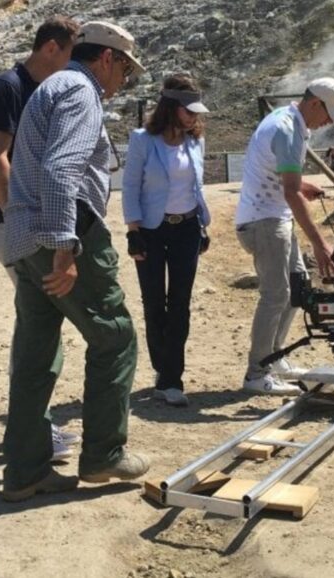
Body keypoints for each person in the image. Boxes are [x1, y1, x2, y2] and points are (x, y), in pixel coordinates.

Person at [0, 21, 149, 502]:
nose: (123, 79)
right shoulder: (80, 91)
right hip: (64, 235)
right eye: (124, 68)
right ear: (106, 58)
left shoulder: (51, 87)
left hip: (24, 239)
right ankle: (104, 455)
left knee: (36, 354)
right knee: (115, 338)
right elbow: (62, 170)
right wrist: (66, 249)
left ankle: (25, 471)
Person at [0, 15, 81, 461]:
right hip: (15, 224)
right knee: (38, 327)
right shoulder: (7, 88)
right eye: (73, 55)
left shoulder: (46, 91)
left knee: (38, 323)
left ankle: (33, 429)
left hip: (33, 221)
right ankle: (33, 433)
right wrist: (18, 217)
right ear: (53, 48)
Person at [234, 77, 334, 395]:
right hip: (264, 221)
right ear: (314, 104)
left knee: (297, 287)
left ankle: (275, 357)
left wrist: (302, 185)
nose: (328, 122)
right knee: (276, 295)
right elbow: (290, 191)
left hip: (274, 218)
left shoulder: (291, 122)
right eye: (328, 114)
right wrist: (320, 243)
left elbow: (284, 179)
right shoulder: (287, 130)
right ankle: (256, 374)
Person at [122, 74, 211, 408]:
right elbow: (130, 186)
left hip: (188, 227)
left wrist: (203, 225)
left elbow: (196, 187)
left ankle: (172, 377)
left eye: (196, 112)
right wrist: (133, 231)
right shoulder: (143, 140)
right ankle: (163, 371)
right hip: (151, 230)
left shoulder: (196, 141)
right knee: (153, 302)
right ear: (171, 107)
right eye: (188, 111)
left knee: (181, 304)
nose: (194, 117)